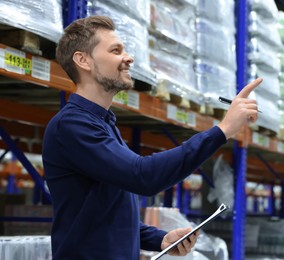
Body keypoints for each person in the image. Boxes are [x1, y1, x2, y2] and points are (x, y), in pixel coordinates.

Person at [42, 15, 262, 260]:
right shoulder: (72, 126)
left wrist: (160, 239)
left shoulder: (102, 124)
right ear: (83, 60)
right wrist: (222, 130)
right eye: (116, 50)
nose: (129, 57)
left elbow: (106, 216)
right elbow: (143, 176)